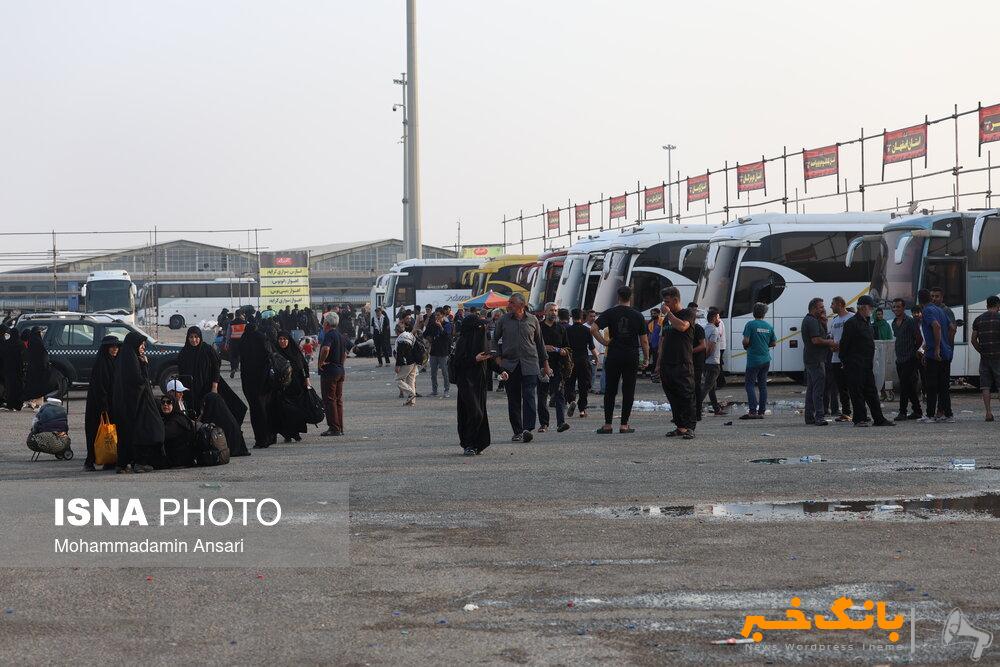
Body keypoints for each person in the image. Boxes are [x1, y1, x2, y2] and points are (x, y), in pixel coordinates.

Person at [493, 293, 550, 443]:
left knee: (530, 396)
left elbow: (540, 343)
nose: (508, 305)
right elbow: (494, 340)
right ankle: (517, 431)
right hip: (510, 365)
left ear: (521, 305)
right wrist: (498, 359)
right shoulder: (503, 320)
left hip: (530, 364)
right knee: (513, 399)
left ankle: (527, 429)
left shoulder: (533, 320)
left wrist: (545, 364)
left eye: (511, 302)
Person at [593, 286, 649, 435]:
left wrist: (605, 343)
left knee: (610, 390)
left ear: (618, 297)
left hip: (614, 354)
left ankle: (607, 425)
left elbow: (593, 329)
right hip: (631, 355)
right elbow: (644, 341)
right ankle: (624, 425)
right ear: (630, 297)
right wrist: (646, 358)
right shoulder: (638, 315)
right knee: (628, 390)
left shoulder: (610, 313)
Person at [111, 332, 166, 473]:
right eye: (141, 345)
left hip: (123, 405)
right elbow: (140, 383)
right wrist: (145, 366)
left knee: (125, 436)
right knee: (142, 433)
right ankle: (139, 463)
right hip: (136, 405)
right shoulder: (132, 360)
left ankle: (123, 464)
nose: (143, 348)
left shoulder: (123, 358)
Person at [453, 314, 506, 455]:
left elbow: (489, 359)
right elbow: (457, 363)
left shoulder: (483, 341)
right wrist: (474, 359)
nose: (483, 328)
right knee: (473, 413)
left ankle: (476, 444)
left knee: (479, 413)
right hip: (466, 383)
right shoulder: (462, 342)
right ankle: (468, 443)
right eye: (480, 326)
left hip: (480, 383)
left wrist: (501, 371)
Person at [838, 295, 894, 427]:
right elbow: (844, 344)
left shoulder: (867, 322)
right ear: (863, 308)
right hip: (855, 364)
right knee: (857, 393)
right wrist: (845, 362)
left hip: (867, 364)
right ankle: (859, 419)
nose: (872, 310)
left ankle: (879, 418)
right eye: (870, 307)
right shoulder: (851, 323)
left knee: (872, 392)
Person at [655, 288, 694, 438]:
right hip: (667, 363)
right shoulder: (666, 319)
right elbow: (662, 341)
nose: (664, 304)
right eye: (664, 301)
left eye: (667, 301)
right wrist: (658, 364)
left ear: (676, 300)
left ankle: (690, 427)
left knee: (686, 395)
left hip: (682, 362)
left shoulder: (687, 313)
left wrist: (668, 313)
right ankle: (680, 426)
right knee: (673, 396)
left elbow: (683, 327)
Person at [239, 320, 278, 448]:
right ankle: (270, 436)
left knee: (256, 411)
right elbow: (269, 355)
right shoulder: (262, 338)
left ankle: (260, 439)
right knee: (267, 408)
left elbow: (239, 357)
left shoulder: (243, 339)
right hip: (264, 380)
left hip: (249, 381)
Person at [84, 335, 120, 471]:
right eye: (112, 347)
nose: (115, 349)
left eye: (116, 347)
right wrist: (104, 407)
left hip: (111, 404)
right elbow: (100, 388)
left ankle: (109, 460)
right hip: (99, 407)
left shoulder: (115, 362)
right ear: (106, 348)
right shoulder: (101, 364)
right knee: (96, 433)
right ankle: (90, 461)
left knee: (109, 435)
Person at [918, 288, 954, 423]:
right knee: (944, 386)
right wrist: (946, 345)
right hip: (946, 353)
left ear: (920, 301)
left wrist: (937, 347)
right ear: (930, 298)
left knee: (931, 386)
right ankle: (948, 415)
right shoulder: (940, 310)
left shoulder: (927, 311)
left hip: (935, 354)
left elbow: (936, 326)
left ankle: (930, 415)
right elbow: (952, 328)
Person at [801, 298, 837, 426]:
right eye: (821, 307)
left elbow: (820, 336)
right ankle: (819, 416)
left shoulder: (813, 321)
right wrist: (830, 342)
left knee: (811, 389)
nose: (823, 309)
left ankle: (809, 417)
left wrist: (824, 323)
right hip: (815, 359)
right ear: (813, 308)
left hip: (812, 358)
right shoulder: (811, 321)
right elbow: (816, 340)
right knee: (818, 389)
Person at [538, 301, 570, 433]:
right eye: (551, 310)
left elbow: (567, 347)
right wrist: (544, 348)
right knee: (542, 395)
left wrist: (562, 351)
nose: (553, 313)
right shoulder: (538, 327)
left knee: (559, 394)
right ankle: (544, 423)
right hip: (541, 365)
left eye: (555, 311)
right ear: (545, 312)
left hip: (557, 365)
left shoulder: (561, 328)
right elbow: (531, 345)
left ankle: (561, 423)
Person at [740, 302, 777, 420]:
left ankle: (752, 411)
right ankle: (761, 411)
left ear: (754, 312)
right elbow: (774, 342)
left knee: (749, 385)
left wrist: (747, 344)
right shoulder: (768, 326)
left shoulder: (750, 325)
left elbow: (746, 341)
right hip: (766, 359)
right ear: (764, 314)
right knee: (763, 386)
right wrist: (764, 344)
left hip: (753, 359)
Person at [891, 298, 923, 421]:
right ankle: (917, 410)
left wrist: (915, 351)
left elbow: (919, 338)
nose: (896, 309)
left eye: (898, 307)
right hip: (900, 359)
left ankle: (902, 412)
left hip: (910, 358)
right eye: (894, 307)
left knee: (904, 385)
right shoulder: (894, 323)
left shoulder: (910, 321)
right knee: (908, 385)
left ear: (903, 308)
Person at [276, 329, 311, 442]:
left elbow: (304, 366)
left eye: (284, 339)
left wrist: (307, 378)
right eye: (280, 339)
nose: (282, 341)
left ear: (289, 340)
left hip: (297, 386)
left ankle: (296, 432)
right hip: (282, 387)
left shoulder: (295, 352)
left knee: (297, 409)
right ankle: (287, 433)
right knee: (284, 410)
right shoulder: (276, 353)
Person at [972, 294, 1000, 422]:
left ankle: (988, 413)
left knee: (986, 386)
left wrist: (981, 351)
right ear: (998, 306)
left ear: (987, 305)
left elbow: (973, 340)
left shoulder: (978, 320)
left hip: (985, 358)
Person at [565, 308, 597, 418]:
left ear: (571, 317)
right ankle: (582, 410)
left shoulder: (567, 330)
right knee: (583, 385)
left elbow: (564, 346)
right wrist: (596, 358)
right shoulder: (586, 330)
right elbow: (591, 347)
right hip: (583, 360)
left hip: (571, 361)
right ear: (582, 316)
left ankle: (571, 400)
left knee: (570, 383)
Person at [319, 312, 347, 435]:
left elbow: (326, 349)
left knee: (329, 399)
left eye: (324, 322)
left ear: (327, 324)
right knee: (338, 400)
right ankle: (339, 426)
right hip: (340, 370)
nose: (323, 324)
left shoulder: (329, 335)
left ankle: (334, 428)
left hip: (330, 370)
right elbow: (345, 353)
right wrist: (340, 364)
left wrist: (321, 362)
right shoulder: (341, 336)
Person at [828, 296, 853, 422]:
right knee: (841, 387)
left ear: (840, 304)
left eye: (832, 304)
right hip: (836, 358)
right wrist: (832, 345)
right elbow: (831, 337)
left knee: (853, 386)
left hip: (849, 358)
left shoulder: (852, 317)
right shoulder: (834, 320)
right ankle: (846, 412)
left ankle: (859, 411)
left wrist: (842, 346)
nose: (831, 306)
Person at [700, 307, 727, 416]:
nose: (719, 320)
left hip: (707, 363)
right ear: (714, 318)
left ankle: (716, 409)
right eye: (718, 317)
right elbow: (710, 348)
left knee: (711, 387)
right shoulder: (714, 331)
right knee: (707, 387)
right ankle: (695, 406)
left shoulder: (705, 328)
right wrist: (706, 358)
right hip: (713, 363)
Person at [160, 395, 197, 467]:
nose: (165, 404)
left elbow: (164, 435)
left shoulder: (177, 420)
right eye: (163, 402)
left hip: (180, 459)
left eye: (169, 402)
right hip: (176, 456)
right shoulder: (168, 418)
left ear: (174, 404)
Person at [424, 310, 451, 398]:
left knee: (444, 372)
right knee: (433, 372)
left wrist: (440, 327)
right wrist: (428, 338)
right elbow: (425, 334)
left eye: (438, 315)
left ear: (443, 315)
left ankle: (446, 390)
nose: (437, 317)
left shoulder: (447, 325)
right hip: (434, 351)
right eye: (436, 315)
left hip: (443, 352)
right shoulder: (433, 325)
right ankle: (434, 391)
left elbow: (447, 335)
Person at [24, 327, 50, 409]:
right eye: (40, 332)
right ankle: (37, 403)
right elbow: (43, 355)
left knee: (32, 385)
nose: (41, 334)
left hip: (32, 367)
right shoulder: (39, 342)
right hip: (39, 368)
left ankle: (33, 402)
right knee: (39, 386)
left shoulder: (31, 341)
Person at [394, 323, 419, 407]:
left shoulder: (400, 339)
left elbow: (400, 353)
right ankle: (411, 402)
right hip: (414, 361)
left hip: (407, 363)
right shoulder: (410, 335)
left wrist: (397, 366)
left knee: (398, 380)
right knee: (411, 381)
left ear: (397, 331)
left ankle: (411, 394)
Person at [689, 303, 707, 421]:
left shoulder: (698, 328)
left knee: (696, 387)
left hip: (697, 362)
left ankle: (698, 413)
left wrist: (689, 351)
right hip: (689, 362)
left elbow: (703, 345)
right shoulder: (687, 328)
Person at [1, 326, 24, 411]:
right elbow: (23, 358)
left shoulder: (6, 343)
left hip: (8, 369)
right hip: (18, 370)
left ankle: (10, 404)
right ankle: (18, 404)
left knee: (9, 387)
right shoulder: (20, 344)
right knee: (18, 387)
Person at [226, 311, 246, 378]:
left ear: (235, 315)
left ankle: (233, 368)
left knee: (233, 355)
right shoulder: (245, 322)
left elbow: (228, 333)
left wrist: (227, 342)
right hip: (242, 341)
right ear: (240, 315)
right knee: (242, 355)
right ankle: (240, 368)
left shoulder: (231, 323)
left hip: (233, 341)